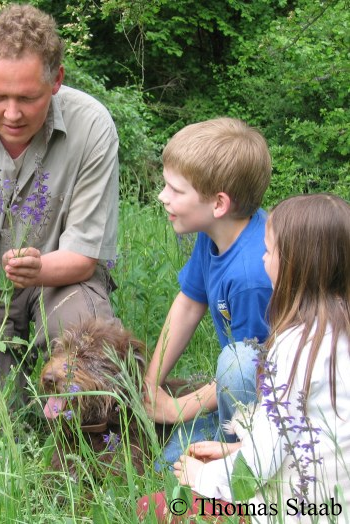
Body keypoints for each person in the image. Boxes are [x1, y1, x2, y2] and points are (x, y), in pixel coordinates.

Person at [0, 4, 119, 432]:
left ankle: (103, 435)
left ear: (56, 81)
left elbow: (85, 257)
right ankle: (13, 377)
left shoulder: (92, 125)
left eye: (28, 98)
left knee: (91, 391)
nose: (12, 113)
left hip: (63, 280)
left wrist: (38, 268)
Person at [140, 193, 350, 523]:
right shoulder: (338, 333)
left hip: (297, 509)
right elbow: (306, 435)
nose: (262, 259)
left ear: (294, 266)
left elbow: (256, 469)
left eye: (268, 251)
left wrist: (204, 477)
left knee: (153, 507)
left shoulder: (294, 348)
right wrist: (233, 450)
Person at [143, 118, 273, 464]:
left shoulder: (253, 276)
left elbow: (256, 372)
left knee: (239, 361)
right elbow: (188, 303)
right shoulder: (215, 232)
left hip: (275, 410)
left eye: (175, 190)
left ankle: (240, 455)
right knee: (165, 465)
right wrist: (151, 383)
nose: (162, 196)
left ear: (218, 204)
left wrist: (176, 408)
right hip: (241, 392)